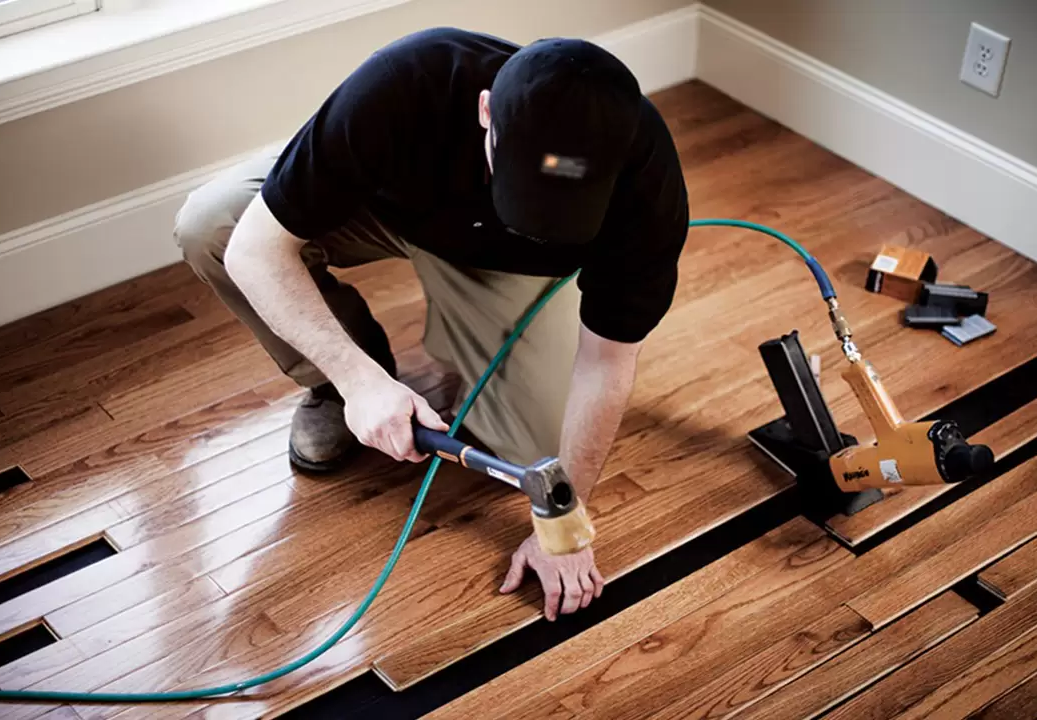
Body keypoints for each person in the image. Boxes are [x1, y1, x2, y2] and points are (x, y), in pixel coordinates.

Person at [173, 27, 688, 621]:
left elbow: (608, 359)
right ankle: (331, 379)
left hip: (507, 269)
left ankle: (465, 335)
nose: (540, 205)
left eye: (563, 200)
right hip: (383, 210)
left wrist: (565, 527)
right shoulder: (408, 81)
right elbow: (253, 252)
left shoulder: (647, 186)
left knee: (538, 452)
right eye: (524, 184)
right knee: (212, 225)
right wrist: (358, 380)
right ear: (485, 110)